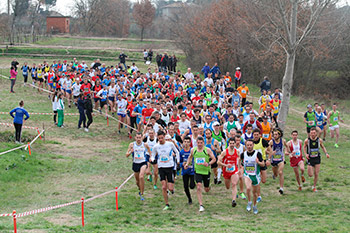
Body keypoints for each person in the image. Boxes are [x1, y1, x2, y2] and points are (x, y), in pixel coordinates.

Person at [184, 136, 216, 212]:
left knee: (206, 189)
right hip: (197, 171)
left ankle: (208, 186)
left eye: (201, 143)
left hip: (206, 172)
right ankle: (201, 205)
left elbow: (214, 159)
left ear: (203, 143)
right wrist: (187, 164)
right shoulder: (193, 150)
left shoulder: (207, 150)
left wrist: (208, 163)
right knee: (198, 187)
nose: (200, 144)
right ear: (196, 143)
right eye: (198, 143)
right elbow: (190, 157)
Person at [151, 131, 180, 210]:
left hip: (169, 166)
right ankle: (166, 204)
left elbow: (177, 152)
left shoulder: (169, 144)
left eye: (162, 138)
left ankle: (172, 190)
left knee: (170, 188)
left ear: (164, 137)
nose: (160, 139)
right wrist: (153, 159)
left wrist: (178, 161)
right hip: (161, 167)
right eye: (159, 138)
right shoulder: (156, 146)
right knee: (164, 187)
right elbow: (153, 155)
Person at [126, 132, 152, 201]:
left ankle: (142, 193)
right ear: (135, 138)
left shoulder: (145, 144)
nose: (138, 139)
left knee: (141, 176)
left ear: (142, 138)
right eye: (137, 137)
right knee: (137, 181)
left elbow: (149, 150)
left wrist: (150, 157)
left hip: (143, 162)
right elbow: (126, 155)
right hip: (135, 163)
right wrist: (130, 152)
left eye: (140, 137)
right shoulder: (132, 145)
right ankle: (140, 189)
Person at [303, 127, 330, 192]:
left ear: (316, 133)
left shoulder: (319, 140)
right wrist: (306, 154)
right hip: (310, 158)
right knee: (310, 174)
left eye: (314, 133)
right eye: (311, 133)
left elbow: (323, 147)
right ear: (310, 133)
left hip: (317, 158)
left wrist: (326, 153)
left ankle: (314, 187)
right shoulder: (307, 140)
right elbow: (304, 147)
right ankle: (304, 172)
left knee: (316, 174)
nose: (312, 134)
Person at [242, 140, 264, 214]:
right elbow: (240, 162)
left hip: (255, 175)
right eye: (247, 145)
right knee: (248, 188)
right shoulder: (243, 154)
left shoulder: (258, 154)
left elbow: (263, 164)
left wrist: (258, 162)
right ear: (245, 146)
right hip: (247, 174)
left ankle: (254, 206)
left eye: (250, 145)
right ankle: (249, 202)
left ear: (253, 145)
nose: (249, 146)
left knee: (254, 193)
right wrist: (240, 169)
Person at [217, 137, 240, 207]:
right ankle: (234, 192)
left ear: (235, 144)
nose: (232, 145)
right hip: (226, 172)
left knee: (234, 184)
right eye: (231, 143)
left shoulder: (237, 151)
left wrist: (239, 168)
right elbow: (218, 162)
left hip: (234, 171)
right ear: (228, 144)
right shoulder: (224, 152)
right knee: (228, 187)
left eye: (233, 143)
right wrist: (226, 165)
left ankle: (233, 200)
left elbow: (239, 160)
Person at [268, 128, 287, 194]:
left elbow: (287, 147)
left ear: (279, 135)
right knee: (276, 174)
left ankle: (281, 188)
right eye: (274, 134)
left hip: (281, 160)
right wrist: (271, 152)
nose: (275, 136)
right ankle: (274, 175)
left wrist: (286, 151)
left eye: (276, 134)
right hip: (274, 160)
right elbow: (266, 150)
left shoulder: (283, 141)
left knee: (280, 172)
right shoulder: (271, 142)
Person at [180, 137, 196, 204]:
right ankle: (189, 199)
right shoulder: (181, 152)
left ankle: (194, 184)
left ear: (190, 143)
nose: (186, 143)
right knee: (185, 187)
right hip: (185, 172)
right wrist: (182, 164)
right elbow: (179, 162)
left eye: (188, 142)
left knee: (191, 186)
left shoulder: (192, 151)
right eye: (185, 142)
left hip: (192, 171)